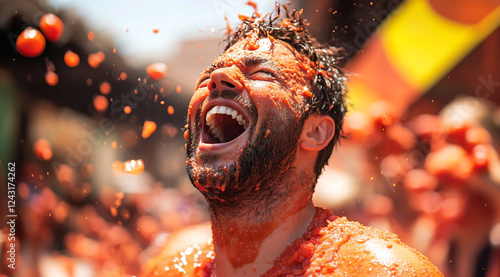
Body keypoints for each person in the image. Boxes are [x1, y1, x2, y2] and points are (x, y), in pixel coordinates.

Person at [142, 4, 443, 277]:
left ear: (315, 133)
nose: (220, 77)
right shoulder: (170, 266)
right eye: (207, 77)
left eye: (263, 73)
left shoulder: (380, 271)